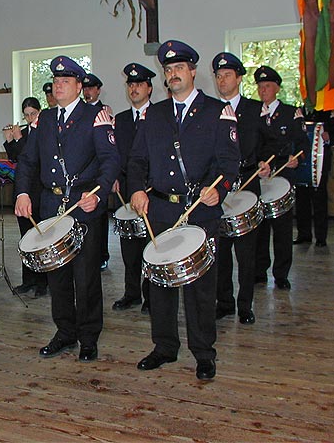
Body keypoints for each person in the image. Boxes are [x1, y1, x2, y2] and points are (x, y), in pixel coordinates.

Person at [128, 40, 240, 380]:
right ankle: (164, 347)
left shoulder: (215, 110)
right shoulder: (155, 115)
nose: (172, 74)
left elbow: (230, 162)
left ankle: (204, 353)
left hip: (200, 213)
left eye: (178, 68)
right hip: (162, 210)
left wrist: (218, 190)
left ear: (193, 71)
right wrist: (135, 188)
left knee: (200, 287)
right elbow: (136, 159)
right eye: (168, 69)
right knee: (160, 284)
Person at [15, 56, 120, 362]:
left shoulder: (96, 115)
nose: (58, 86)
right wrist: (22, 192)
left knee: (86, 276)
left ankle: (88, 337)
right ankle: (65, 331)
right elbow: (28, 161)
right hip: (51, 205)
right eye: (55, 82)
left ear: (78, 85)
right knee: (56, 274)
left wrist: (98, 194)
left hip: (83, 205)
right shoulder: (45, 120)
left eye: (65, 82)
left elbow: (111, 160)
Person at [211, 53, 269, 325]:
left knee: (246, 252)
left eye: (227, 76)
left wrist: (266, 162)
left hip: (247, 182)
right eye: (218, 76)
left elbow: (271, 144)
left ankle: (245, 304)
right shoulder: (209, 110)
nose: (222, 80)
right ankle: (224, 302)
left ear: (239, 78)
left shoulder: (256, 109)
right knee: (220, 250)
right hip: (218, 187)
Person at [254, 66, 309, 290]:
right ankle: (259, 271)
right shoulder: (254, 114)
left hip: (283, 176)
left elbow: (303, 144)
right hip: (261, 176)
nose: (263, 90)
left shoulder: (290, 113)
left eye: (267, 86)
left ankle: (281, 274)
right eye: (260, 87)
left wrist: (298, 158)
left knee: (282, 230)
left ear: (277, 88)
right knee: (260, 229)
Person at [112, 63, 156, 315]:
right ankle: (132, 293)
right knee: (129, 245)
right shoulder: (120, 120)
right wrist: (116, 177)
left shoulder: (159, 116)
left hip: (153, 190)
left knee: (151, 243)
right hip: (127, 190)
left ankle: (152, 294)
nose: (134, 88)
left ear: (149, 88)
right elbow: (115, 154)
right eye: (130, 84)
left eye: (139, 84)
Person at [3, 97, 48, 298]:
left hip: (39, 193)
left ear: (39, 112)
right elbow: (16, 158)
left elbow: (32, 158)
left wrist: (19, 139)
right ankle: (28, 280)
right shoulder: (26, 131)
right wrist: (10, 140)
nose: (29, 118)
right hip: (23, 192)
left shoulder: (43, 130)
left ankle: (42, 283)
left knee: (40, 238)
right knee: (25, 238)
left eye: (33, 114)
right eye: (26, 114)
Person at [293, 109, 334, 247]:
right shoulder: (299, 112)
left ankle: (321, 237)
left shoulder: (328, 113)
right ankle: (304, 234)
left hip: (319, 165)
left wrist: (329, 137)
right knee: (302, 201)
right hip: (302, 165)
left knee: (319, 202)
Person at [82, 73, 113, 271]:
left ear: (98, 90)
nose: (88, 91)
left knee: (100, 221)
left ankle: (103, 254)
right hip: (83, 176)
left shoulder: (104, 112)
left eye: (91, 88)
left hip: (98, 175)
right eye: (85, 88)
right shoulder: (80, 112)